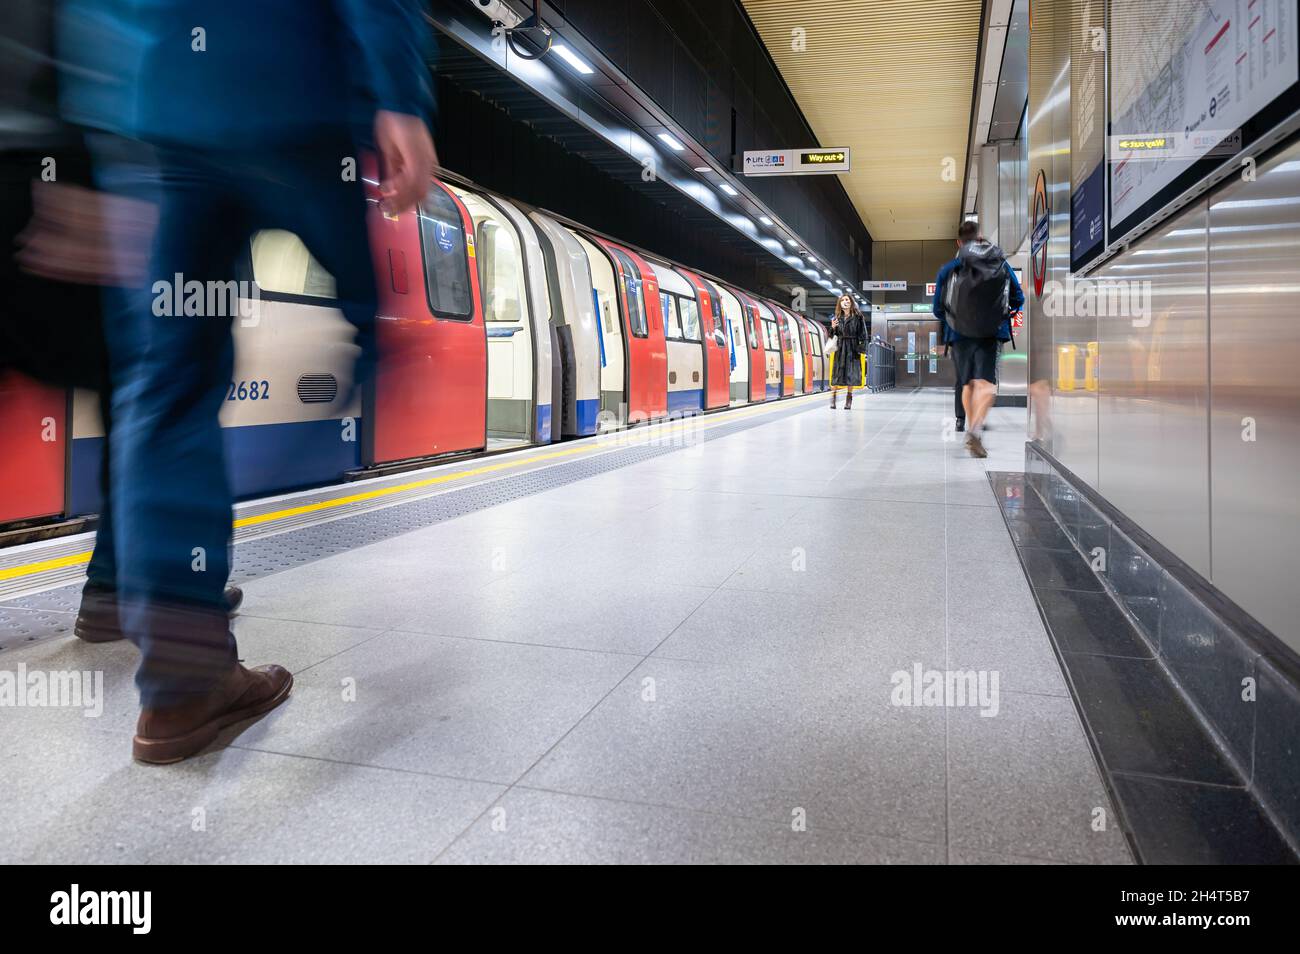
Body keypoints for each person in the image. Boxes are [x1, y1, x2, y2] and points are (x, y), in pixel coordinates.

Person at [61, 0, 437, 764]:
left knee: (167, 387)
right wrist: (400, 96)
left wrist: (92, 131)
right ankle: (327, 421)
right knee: (371, 319)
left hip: (165, 114)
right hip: (291, 103)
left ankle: (181, 685)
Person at [933, 220, 1023, 457]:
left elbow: (937, 309)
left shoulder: (949, 268)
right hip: (991, 333)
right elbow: (1019, 298)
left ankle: (969, 428)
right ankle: (975, 430)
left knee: (967, 384)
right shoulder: (1000, 264)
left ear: (959, 242)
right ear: (980, 237)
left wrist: (955, 320)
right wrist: (1000, 314)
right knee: (986, 384)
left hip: (959, 335)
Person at [828, 294, 867, 408]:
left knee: (851, 374)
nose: (845, 301)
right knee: (837, 374)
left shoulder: (858, 317)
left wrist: (862, 349)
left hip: (852, 348)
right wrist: (833, 327)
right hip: (840, 348)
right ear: (840, 303)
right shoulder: (836, 317)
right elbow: (831, 335)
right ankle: (833, 397)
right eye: (842, 300)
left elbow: (863, 334)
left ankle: (849, 399)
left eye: (847, 300)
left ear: (851, 302)